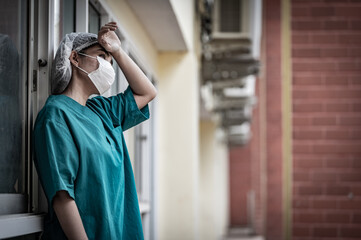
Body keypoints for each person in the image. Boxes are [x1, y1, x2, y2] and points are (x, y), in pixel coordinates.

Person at [33, 22, 157, 239]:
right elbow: (63, 196)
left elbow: (147, 92)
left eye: (111, 61)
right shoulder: (55, 115)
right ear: (74, 58)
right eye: (101, 56)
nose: (108, 65)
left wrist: (117, 51)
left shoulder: (102, 110)